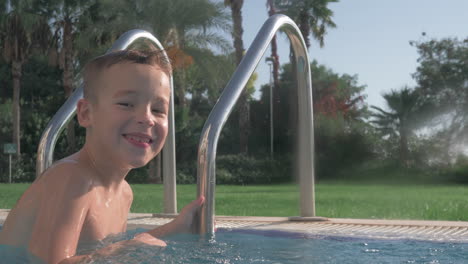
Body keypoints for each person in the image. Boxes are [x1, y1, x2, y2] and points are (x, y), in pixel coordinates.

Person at [0, 50, 204, 264]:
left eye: (158, 109)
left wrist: (177, 228)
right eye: (126, 104)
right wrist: (128, 249)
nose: (147, 118)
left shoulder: (124, 193)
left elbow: (105, 251)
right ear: (86, 113)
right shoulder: (71, 178)